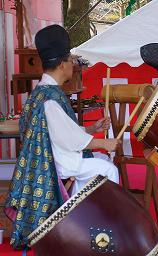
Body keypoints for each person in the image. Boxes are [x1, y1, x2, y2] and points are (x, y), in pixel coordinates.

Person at [5, 25, 120, 249]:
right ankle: (105, 228)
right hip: (53, 163)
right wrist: (105, 142)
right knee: (108, 169)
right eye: (71, 61)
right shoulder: (49, 98)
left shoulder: (42, 93)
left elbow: (63, 132)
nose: (73, 66)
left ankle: (78, 218)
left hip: (52, 156)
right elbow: (67, 140)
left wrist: (91, 128)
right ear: (61, 65)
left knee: (101, 162)